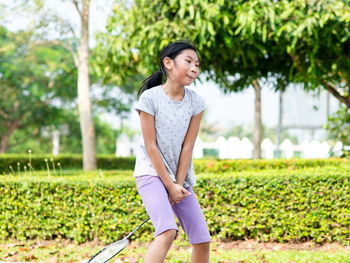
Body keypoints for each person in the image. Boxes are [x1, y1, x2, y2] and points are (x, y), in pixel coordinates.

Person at [133, 40, 211, 263]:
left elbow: (188, 147)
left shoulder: (196, 102)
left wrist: (177, 186)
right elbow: (151, 146)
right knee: (167, 231)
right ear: (168, 63)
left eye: (197, 64)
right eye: (188, 61)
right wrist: (168, 185)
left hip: (180, 180)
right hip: (150, 174)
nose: (194, 68)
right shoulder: (149, 99)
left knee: (202, 239)